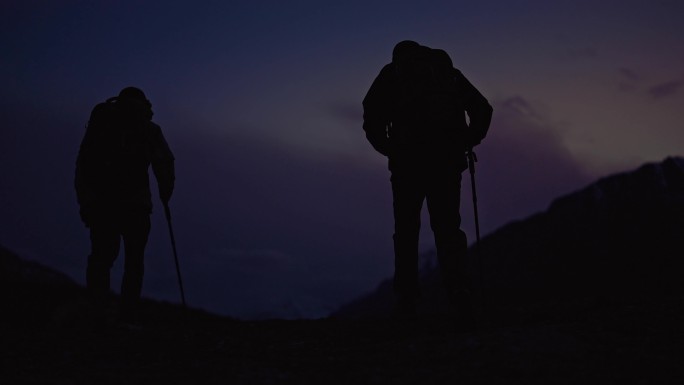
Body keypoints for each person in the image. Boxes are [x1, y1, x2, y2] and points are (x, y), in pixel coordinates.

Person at [362, 41, 492, 319]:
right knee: (448, 229)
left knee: (406, 232)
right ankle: (460, 294)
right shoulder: (447, 72)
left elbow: (371, 116)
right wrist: (467, 141)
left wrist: (390, 149)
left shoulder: (392, 74)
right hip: (446, 162)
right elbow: (483, 109)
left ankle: (407, 301)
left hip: (406, 166)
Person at [75, 86, 175, 323]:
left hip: (102, 205)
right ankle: (127, 314)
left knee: (101, 258)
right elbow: (165, 163)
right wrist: (165, 194)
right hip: (136, 206)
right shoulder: (148, 129)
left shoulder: (102, 126)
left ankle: (98, 310)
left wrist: (86, 201)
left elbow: (83, 165)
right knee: (134, 261)